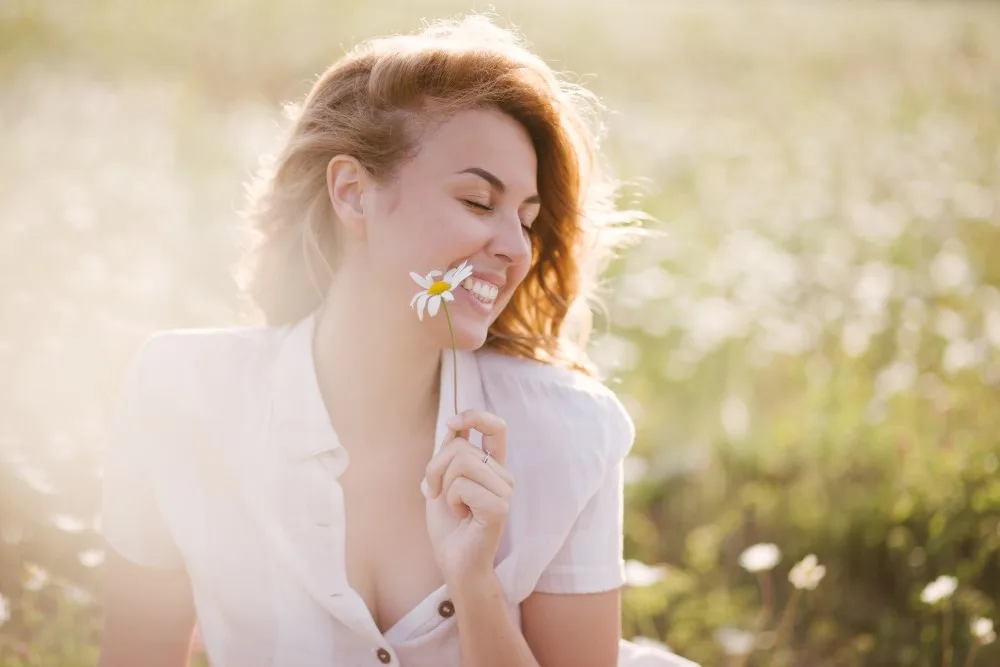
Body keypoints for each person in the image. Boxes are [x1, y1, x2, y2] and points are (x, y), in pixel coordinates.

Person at [96, 13, 698, 667]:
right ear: (353, 194)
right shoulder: (181, 395)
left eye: (527, 220)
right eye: (476, 201)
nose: (514, 248)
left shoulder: (568, 431)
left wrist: (476, 584)